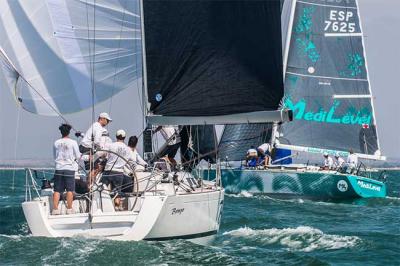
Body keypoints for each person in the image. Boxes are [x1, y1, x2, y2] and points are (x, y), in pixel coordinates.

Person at [52, 124, 81, 215]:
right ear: (69, 132)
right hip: (69, 168)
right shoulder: (73, 142)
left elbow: (54, 156)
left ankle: (55, 209)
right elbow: (78, 156)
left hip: (59, 168)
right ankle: (69, 209)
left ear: (61, 132)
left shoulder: (56, 142)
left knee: (57, 190)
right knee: (69, 190)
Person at [102, 129, 131, 208]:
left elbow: (105, 156)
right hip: (119, 172)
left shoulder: (111, 145)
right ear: (124, 137)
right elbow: (127, 160)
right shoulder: (128, 149)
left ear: (116, 136)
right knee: (117, 192)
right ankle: (117, 207)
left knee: (101, 189)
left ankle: (102, 206)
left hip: (108, 171)